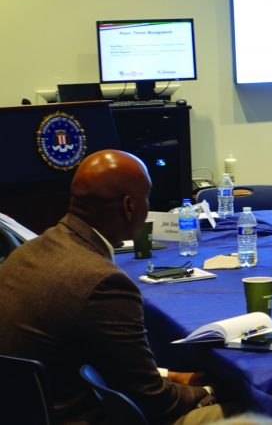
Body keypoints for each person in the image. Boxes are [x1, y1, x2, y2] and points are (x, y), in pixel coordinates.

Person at [0, 150, 224, 425]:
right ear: (130, 206)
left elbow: (94, 361)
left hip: (26, 410)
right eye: (147, 197)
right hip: (82, 416)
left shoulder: (28, 252)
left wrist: (170, 375)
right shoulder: (102, 282)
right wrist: (212, 391)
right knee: (258, 414)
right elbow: (153, 401)